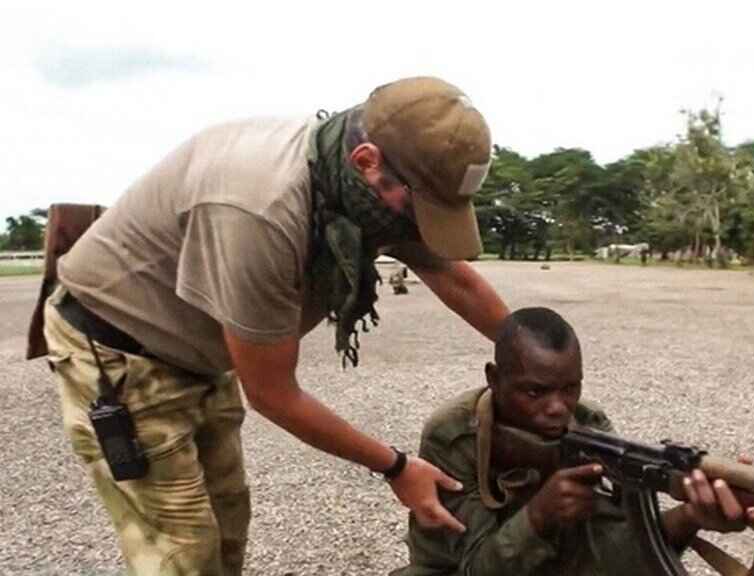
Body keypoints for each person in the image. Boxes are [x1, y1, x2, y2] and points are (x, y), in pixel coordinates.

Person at [42, 76, 510, 575]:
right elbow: (272, 393)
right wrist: (396, 467)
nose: (420, 225)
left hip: (199, 354)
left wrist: (535, 356)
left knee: (227, 529)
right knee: (181, 551)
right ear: (367, 162)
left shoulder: (362, 189)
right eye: (420, 208)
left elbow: (449, 275)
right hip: (119, 354)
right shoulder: (262, 210)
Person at [392, 308, 754, 576]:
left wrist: (691, 515)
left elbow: (615, 551)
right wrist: (538, 516)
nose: (558, 408)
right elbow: (476, 566)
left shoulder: (588, 423)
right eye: (535, 392)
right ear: (494, 378)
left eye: (571, 388)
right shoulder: (453, 434)